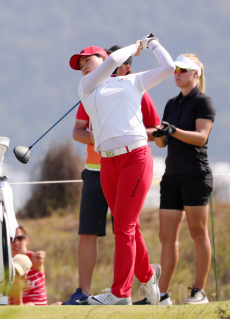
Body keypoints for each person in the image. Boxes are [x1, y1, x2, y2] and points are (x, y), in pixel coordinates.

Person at [68, 34, 174, 305]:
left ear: (101, 60)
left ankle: (120, 293)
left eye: (86, 61)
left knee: (124, 228)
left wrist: (152, 45)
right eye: (79, 65)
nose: (82, 67)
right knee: (130, 227)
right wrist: (137, 45)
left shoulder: (132, 81)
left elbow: (168, 68)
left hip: (136, 159)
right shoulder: (87, 86)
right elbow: (115, 58)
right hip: (107, 163)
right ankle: (149, 277)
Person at [135, 54, 215, 305]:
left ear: (196, 74)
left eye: (183, 69)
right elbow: (162, 144)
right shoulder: (171, 104)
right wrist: (159, 133)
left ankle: (198, 292)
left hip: (195, 174)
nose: (177, 73)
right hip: (172, 176)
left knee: (198, 233)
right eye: (176, 69)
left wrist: (173, 131)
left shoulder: (204, 102)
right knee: (166, 237)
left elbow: (201, 137)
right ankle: (161, 295)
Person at [8, 226, 51, 306]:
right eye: (12, 239)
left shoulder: (34, 259)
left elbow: (39, 261)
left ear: (26, 240)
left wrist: (40, 257)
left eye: (20, 238)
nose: (16, 242)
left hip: (37, 309)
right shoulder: (5, 264)